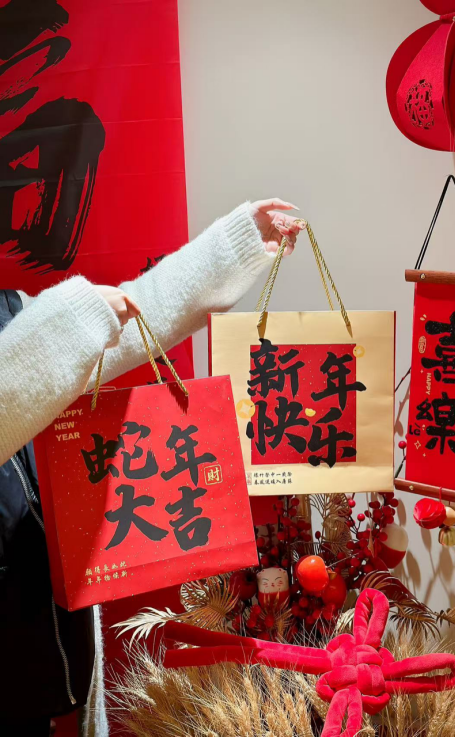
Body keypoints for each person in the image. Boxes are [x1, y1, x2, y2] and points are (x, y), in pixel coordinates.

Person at [0, 199, 305, 736]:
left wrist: (234, 246)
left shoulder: (8, 309)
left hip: (35, 652)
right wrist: (72, 322)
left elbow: (132, 315)